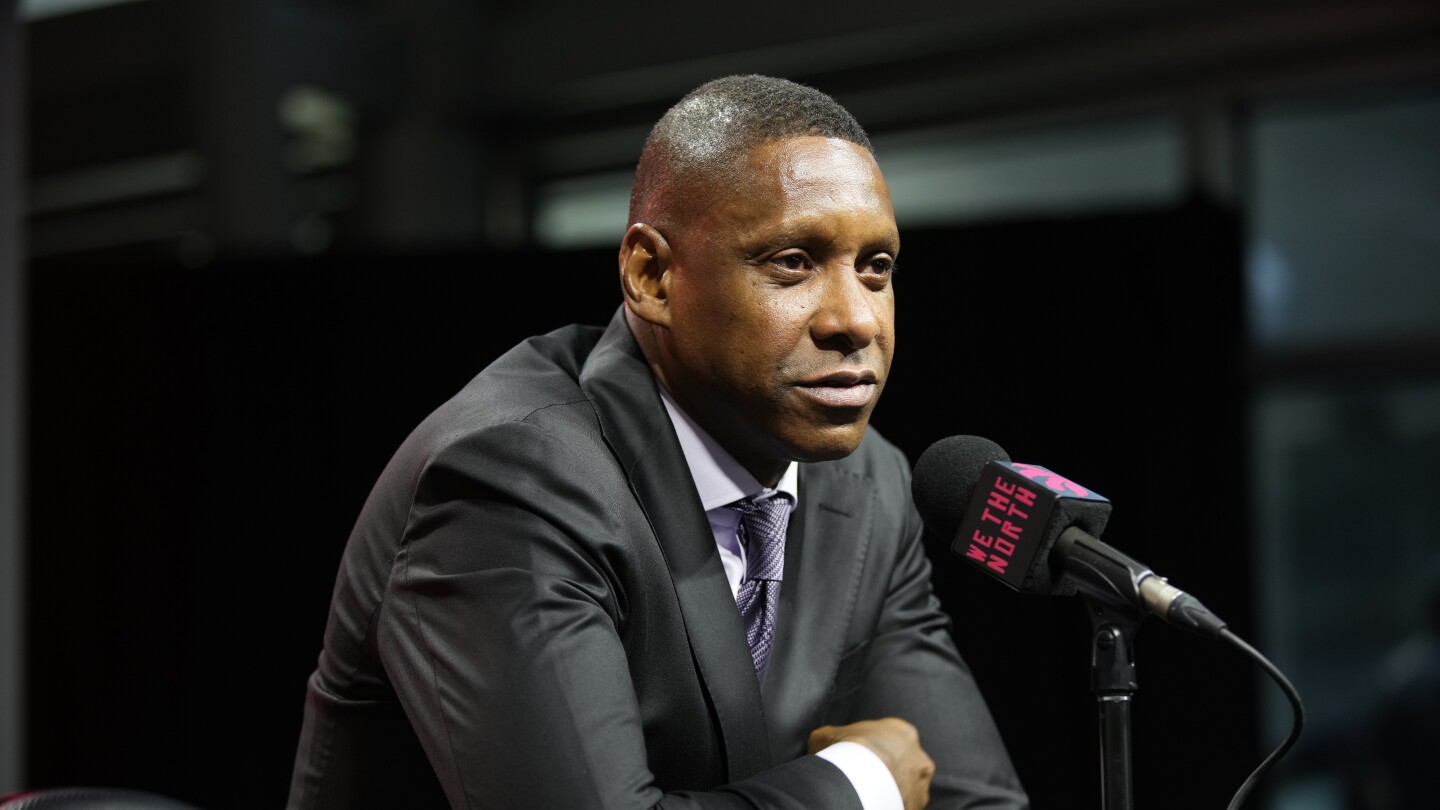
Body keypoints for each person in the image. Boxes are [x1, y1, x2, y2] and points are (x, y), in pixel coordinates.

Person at [286, 74, 1027, 810]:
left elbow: (978, 801)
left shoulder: (868, 485)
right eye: (793, 262)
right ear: (652, 275)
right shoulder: (513, 479)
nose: (857, 320)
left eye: (875, 268)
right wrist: (862, 784)